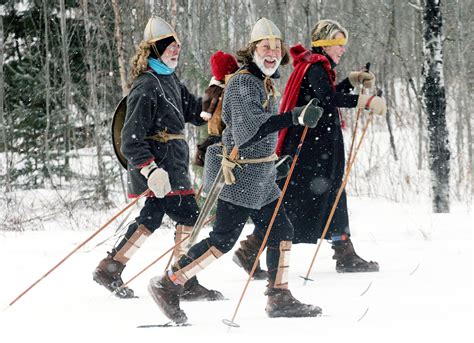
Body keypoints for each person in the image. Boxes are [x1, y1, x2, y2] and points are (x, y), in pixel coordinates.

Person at [147, 18, 324, 324]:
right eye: (264, 46)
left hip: (262, 176)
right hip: (240, 175)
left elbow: (263, 129)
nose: (271, 52)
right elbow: (248, 130)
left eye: (276, 47)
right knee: (223, 239)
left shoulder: (263, 82)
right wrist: (293, 117)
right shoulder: (243, 82)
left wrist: (283, 143)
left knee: (282, 230)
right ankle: (170, 283)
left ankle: (279, 297)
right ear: (252, 50)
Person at [234, 19, 386, 275]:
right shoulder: (315, 67)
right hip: (310, 151)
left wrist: (350, 80)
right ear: (325, 45)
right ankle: (251, 249)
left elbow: (323, 94)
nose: (342, 49)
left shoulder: (316, 66)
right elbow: (327, 99)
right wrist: (365, 100)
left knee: (333, 195)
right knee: (295, 201)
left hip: (318, 147)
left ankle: (343, 251)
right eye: (338, 44)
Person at [92, 16, 224, 301]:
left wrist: (215, 92)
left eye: (177, 44)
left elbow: (195, 113)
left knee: (151, 217)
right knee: (188, 215)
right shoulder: (146, 85)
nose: (176, 49)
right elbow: (130, 139)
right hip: (160, 166)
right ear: (155, 50)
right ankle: (181, 279)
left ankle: (111, 267)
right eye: (169, 45)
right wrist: (150, 170)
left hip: (173, 163)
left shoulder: (169, 78)